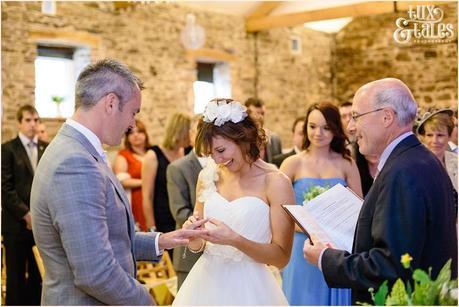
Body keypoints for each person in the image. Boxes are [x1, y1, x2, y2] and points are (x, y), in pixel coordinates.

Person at [30, 59, 206, 305]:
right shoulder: (74, 162)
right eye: (133, 112)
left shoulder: (79, 150)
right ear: (111, 103)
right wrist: (148, 301)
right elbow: (95, 272)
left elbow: (108, 237)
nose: (132, 124)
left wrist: (162, 240)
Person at [303, 78, 458, 304]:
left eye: (356, 116)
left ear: (386, 117)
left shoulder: (403, 171)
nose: (351, 127)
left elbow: (389, 266)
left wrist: (325, 259)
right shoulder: (419, 159)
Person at [173, 98, 295, 305]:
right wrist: (194, 237)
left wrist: (234, 239)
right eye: (211, 154)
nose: (217, 160)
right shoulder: (207, 176)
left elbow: (281, 257)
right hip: (205, 284)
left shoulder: (276, 182)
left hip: (251, 288)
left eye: (221, 151)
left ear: (244, 139)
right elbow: (199, 243)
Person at [280, 102, 362, 306]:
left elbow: (359, 208)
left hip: (335, 248)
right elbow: (279, 211)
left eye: (326, 128)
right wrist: (311, 229)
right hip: (302, 247)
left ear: (335, 130)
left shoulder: (347, 163)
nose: (318, 133)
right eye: (312, 126)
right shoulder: (292, 164)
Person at [2, 104, 47, 305]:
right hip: (16, 224)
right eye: (28, 120)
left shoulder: (46, 148)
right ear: (19, 123)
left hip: (42, 223)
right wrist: (26, 214)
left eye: (36, 120)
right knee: (16, 276)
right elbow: (5, 188)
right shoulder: (8, 149)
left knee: (40, 275)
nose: (32, 124)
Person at [167, 114, 206, 289]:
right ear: (191, 135)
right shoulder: (178, 168)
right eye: (199, 131)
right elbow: (180, 212)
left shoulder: (225, 168)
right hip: (189, 255)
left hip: (221, 254)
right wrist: (210, 229)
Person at [142, 113, 191, 238]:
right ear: (180, 133)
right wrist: (151, 227)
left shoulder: (188, 151)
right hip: (163, 219)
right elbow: (147, 196)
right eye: (188, 133)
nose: (191, 136)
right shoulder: (153, 155)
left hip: (184, 217)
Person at [114, 119, 150, 231]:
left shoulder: (152, 152)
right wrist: (147, 183)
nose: (136, 135)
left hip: (154, 198)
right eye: (131, 133)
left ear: (145, 134)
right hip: (135, 199)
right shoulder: (124, 155)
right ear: (127, 137)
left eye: (139, 132)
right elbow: (121, 181)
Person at [339, 100, 377, 196]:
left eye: (352, 116)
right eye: (343, 116)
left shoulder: (372, 140)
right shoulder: (338, 148)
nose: (348, 119)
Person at [417, 109, 458, 192]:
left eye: (440, 135)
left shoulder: (456, 161)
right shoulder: (415, 164)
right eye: (429, 135)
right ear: (423, 138)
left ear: (449, 136)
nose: (434, 141)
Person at [245, 97, 282, 163]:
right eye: (256, 113)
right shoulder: (242, 140)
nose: (260, 117)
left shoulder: (274, 139)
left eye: (262, 113)